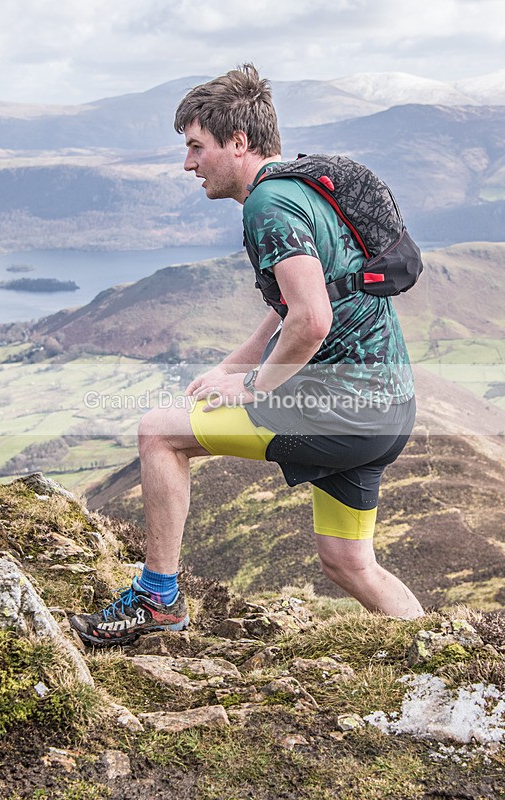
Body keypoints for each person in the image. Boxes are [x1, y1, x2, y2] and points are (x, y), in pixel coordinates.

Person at [70, 64, 423, 647]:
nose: (188, 164)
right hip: (388, 408)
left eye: (195, 147)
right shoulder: (302, 184)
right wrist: (236, 363)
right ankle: (439, 655)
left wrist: (254, 386)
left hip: (344, 410)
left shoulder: (268, 205)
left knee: (158, 433)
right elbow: (307, 293)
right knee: (348, 562)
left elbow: (312, 320)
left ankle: (157, 600)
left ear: (237, 143)